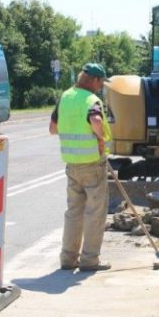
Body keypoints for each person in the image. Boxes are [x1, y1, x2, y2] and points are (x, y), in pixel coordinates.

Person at [49, 62, 112, 272]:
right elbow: (95, 119)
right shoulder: (91, 100)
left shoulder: (65, 97)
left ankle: (68, 258)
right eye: (101, 82)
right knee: (95, 213)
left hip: (72, 165)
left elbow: (53, 128)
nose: (101, 86)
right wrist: (100, 138)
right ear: (94, 80)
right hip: (92, 165)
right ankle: (89, 260)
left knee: (73, 212)